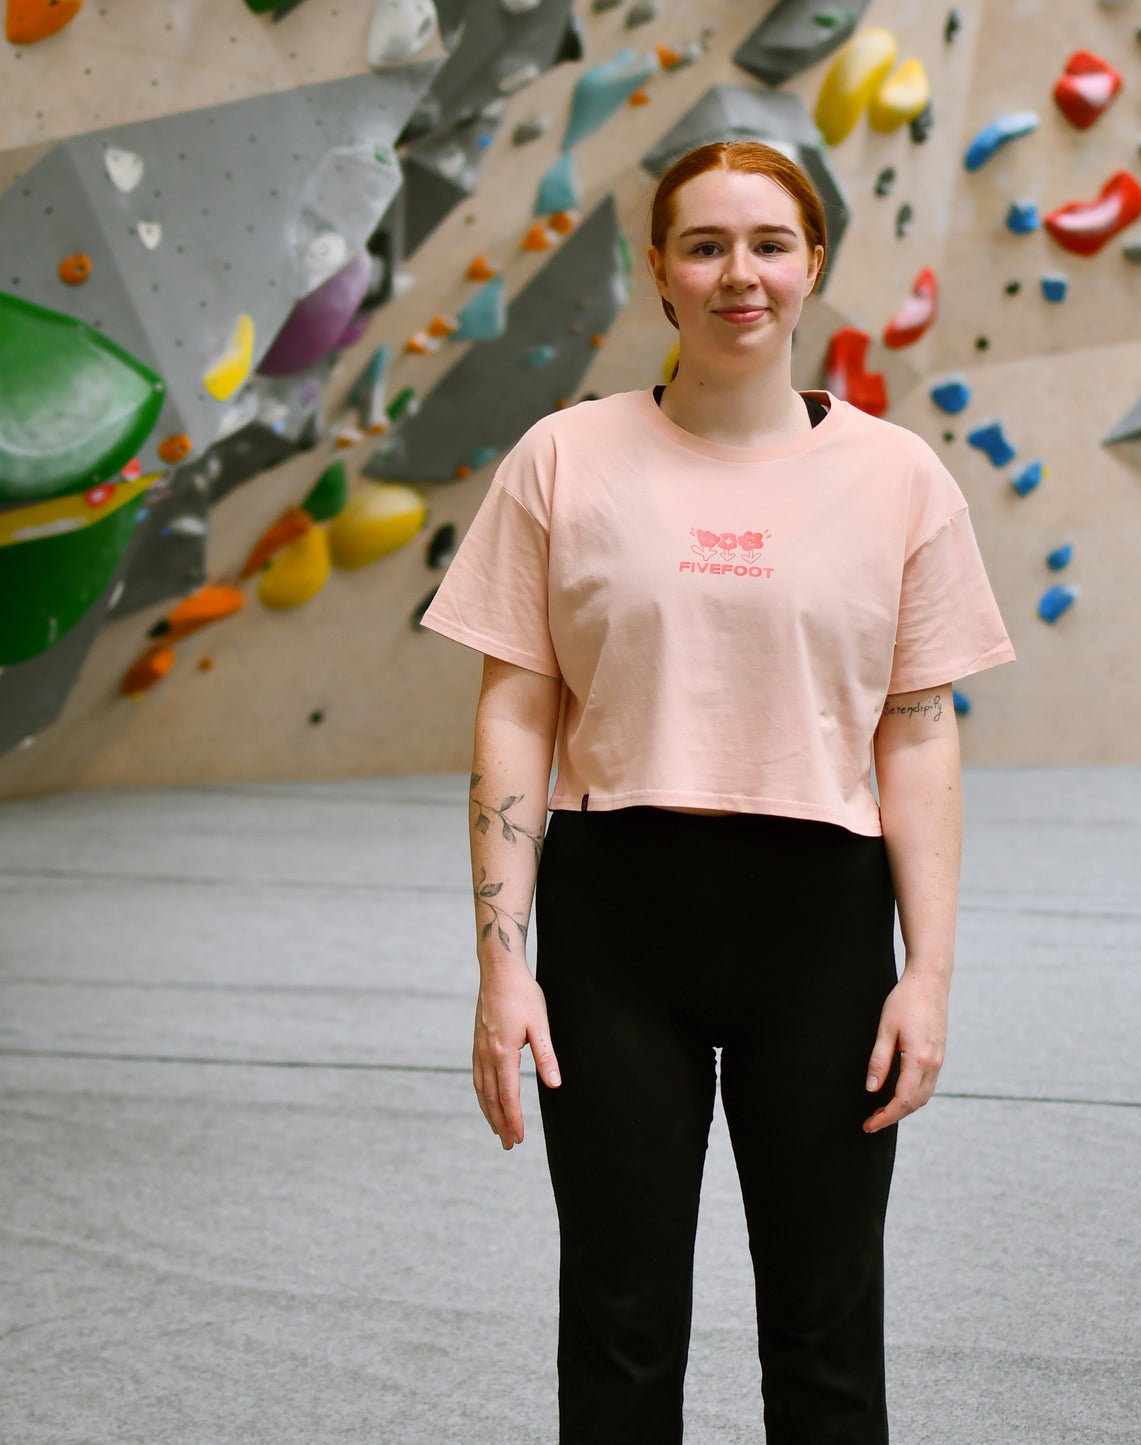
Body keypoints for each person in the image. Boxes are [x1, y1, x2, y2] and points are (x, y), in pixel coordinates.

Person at [420, 140, 1014, 1445]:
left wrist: (929, 972)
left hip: (820, 929)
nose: (736, 273)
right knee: (620, 1328)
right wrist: (498, 964)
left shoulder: (898, 476)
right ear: (659, 273)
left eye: (766, 244)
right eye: (703, 245)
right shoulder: (562, 458)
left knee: (825, 1330)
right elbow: (514, 713)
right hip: (611, 928)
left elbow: (916, 734)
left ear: (811, 267)